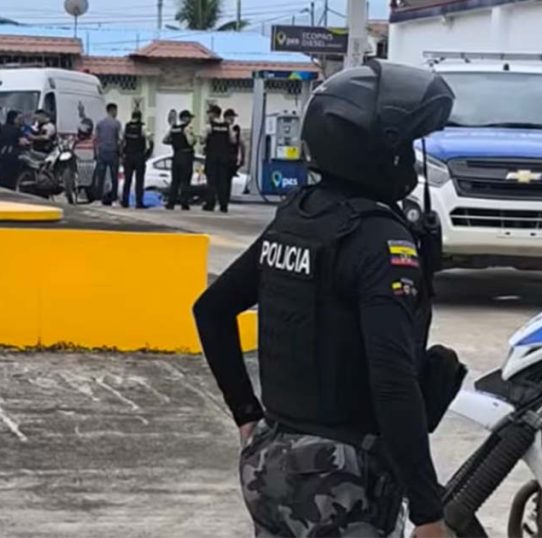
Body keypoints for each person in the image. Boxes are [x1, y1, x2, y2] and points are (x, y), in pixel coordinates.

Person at [192, 60, 455, 538]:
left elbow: (211, 310)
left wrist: (248, 416)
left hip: (270, 467)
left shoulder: (298, 219)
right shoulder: (378, 240)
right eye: (401, 148)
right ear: (376, 152)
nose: (408, 162)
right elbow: (392, 381)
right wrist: (427, 510)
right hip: (340, 481)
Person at [162, 110, 196, 210]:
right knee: (185, 180)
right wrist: (194, 138)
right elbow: (191, 142)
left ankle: (171, 203)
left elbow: (165, 140)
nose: (190, 120)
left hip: (176, 156)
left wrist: (174, 142)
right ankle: (184, 203)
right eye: (189, 118)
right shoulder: (187, 128)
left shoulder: (173, 128)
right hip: (186, 156)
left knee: (175, 181)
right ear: (185, 118)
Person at [202, 105, 233, 213]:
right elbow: (232, 140)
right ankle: (223, 205)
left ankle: (210, 204)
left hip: (212, 157)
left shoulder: (209, 126)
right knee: (223, 182)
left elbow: (202, 140)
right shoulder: (227, 126)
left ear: (214, 114)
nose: (208, 115)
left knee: (211, 182)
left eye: (209, 113)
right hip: (224, 158)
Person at [120, 110, 153, 208]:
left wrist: (122, 154)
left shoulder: (126, 127)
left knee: (127, 180)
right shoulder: (143, 127)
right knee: (139, 181)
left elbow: (121, 141)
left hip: (128, 156)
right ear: (140, 117)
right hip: (139, 156)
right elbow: (150, 140)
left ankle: (125, 201)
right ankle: (139, 202)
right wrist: (148, 153)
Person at [93, 103, 122, 205]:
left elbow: (95, 139)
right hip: (113, 152)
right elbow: (120, 139)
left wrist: (96, 152)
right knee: (114, 177)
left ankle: (98, 199)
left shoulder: (100, 123)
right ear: (113, 111)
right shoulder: (117, 124)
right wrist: (120, 152)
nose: (116, 113)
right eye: (116, 111)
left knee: (100, 177)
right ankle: (114, 200)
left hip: (102, 152)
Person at [0, 110, 27, 190]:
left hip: (2, 153)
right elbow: (23, 142)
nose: (21, 121)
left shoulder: (2, 128)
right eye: (19, 119)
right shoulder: (17, 130)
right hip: (13, 154)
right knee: (11, 177)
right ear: (14, 119)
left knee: (2, 174)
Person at [224, 108, 245, 192]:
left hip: (231, 158)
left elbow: (242, 144)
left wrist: (242, 158)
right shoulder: (231, 129)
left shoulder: (235, 129)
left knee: (226, 180)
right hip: (228, 158)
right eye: (231, 117)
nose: (233, 119)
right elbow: (240, 143)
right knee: (225, 180)